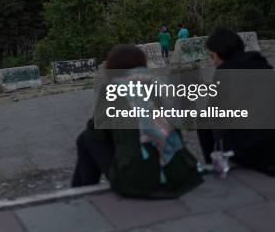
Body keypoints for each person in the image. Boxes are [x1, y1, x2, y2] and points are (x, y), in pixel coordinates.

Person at [72, 44, 203, 198]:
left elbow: (97, 133)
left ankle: (79, 194)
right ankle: (78, 192)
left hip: (137, 183)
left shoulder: (112, 88)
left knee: (86, 138)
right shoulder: (161, 82)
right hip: (183, 173)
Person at [198, 27, 275, 177]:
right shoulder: (258, 62)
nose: (213, 62)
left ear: (221, 53)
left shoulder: (224, 72)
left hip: (257, 154)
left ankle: (212, 164)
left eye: (212, 57)